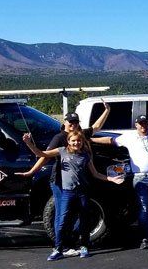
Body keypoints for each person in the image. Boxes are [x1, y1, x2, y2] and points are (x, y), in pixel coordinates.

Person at [15, 101, 111, 257]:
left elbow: (96, 127)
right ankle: (62, 246)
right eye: (70, 122)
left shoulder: (80, 135)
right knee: (62, 215)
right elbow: (44, 156)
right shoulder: (59, 138)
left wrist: (107, 110)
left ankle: (75, 242)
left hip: (81, 183)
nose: (73, 124)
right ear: (65, 123)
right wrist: (32, 171)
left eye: (75, 122)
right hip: (60, 182)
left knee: (80, 213)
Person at [94, 86, 148, 250]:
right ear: (136, 125)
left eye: (145, 123)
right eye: (140, 123)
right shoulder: (129, 137)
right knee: (143, 210)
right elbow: (110, 141)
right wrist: (89, 140)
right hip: (141, 178)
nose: (143, 126)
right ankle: (145, 238)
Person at [22, 131, 124, 261]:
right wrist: (28, 143)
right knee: (62, 221)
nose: (76, 143)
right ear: (69, 141)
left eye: (79, 141)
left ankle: (84, 247)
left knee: (84, 219)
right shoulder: (62, 151)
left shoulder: (86, 155)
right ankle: (58, 249)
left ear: (82, 142)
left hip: (82, 192)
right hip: (67, 192)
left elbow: (95, 173)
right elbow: (41, 154)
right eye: (73, 141)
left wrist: (111, 179)